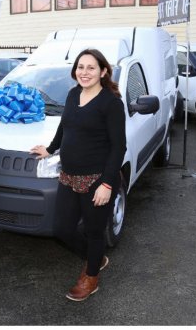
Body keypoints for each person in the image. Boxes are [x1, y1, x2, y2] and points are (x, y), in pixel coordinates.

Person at [29, 48, 126, 301]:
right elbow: (65, 126)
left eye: (91, 67)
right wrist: (50, 149)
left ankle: (91, 276)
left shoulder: (111, 103)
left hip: (97, 179)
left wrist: (106, 184)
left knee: (95, 232)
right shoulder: (73, 95)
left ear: (103, 71)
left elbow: (119, 147)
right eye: (80, 67)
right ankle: (97, 257)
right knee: (62, 228)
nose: (84, 72)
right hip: (69, 176)